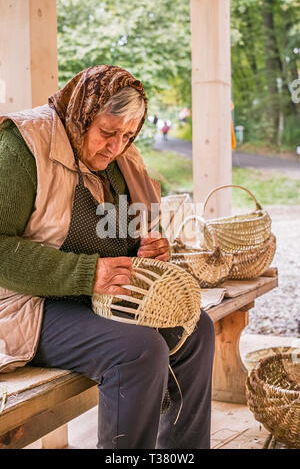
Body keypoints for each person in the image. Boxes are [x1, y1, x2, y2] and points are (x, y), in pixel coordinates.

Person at [0, 65, 215, 449]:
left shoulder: (122, 161)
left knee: (196, 328)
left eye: (129, 135)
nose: (116, 146)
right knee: (137, 351)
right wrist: (87, 273)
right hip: (26, 305)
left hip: (97, 297)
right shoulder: (23, 147)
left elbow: (127, 227)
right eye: (107, 132)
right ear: (82, 113)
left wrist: (152, 247)